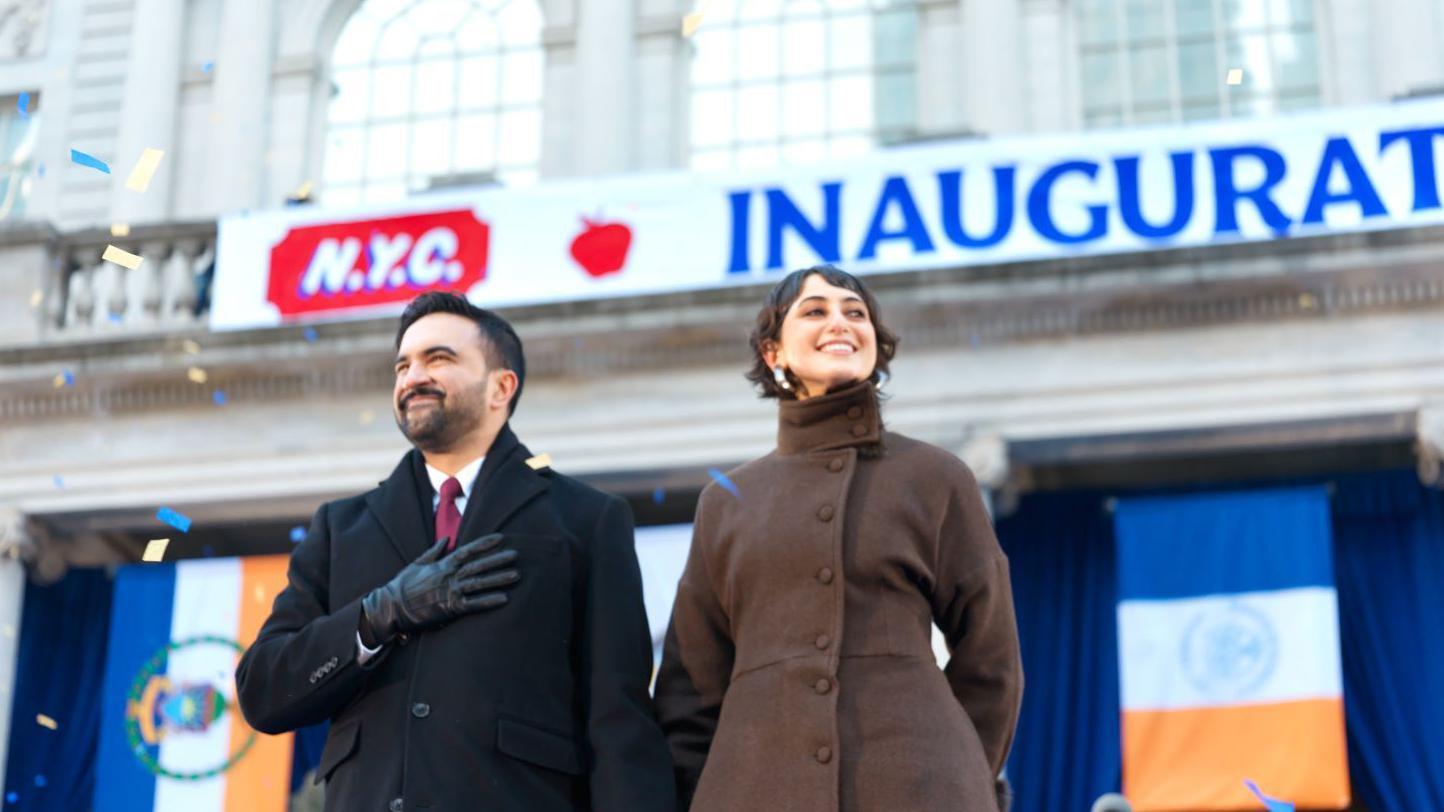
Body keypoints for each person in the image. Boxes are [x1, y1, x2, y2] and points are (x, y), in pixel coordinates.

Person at [236, 292, 674, 812]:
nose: (412, 376)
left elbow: (619, 720)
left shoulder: (586, 518)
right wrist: (375, 618)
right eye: (402, 364)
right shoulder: (341, 527)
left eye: (438, 359)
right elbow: (264, 692)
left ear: (501, 387)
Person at [654, 265, 1024, 811]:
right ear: (773, 352)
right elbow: (692, 690)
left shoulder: (936, 477)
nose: (841, 322)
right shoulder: (727, 501)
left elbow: (991, 659)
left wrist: (955, 772)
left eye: (856, 313)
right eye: (815, 311)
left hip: (917, 788)